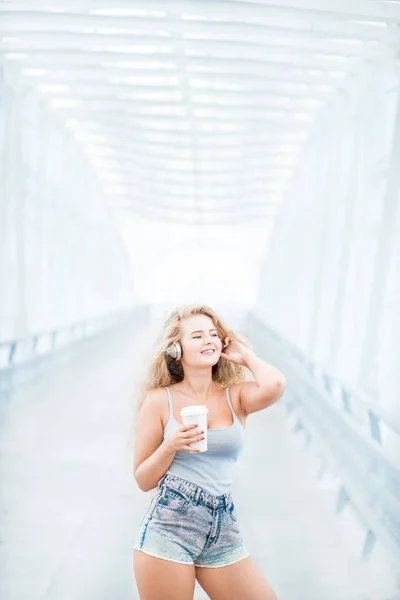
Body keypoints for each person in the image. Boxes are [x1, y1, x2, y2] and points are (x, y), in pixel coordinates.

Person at [133, 304, 286, 600]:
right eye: (197, 336)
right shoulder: (158, 401)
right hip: (170, 527)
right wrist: (170, 446)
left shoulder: (236, 395)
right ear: (176, 349)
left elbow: (275, 384)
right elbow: (143, 480)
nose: (209, 341)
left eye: (214, 334)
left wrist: (245, 356)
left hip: (223, 528)